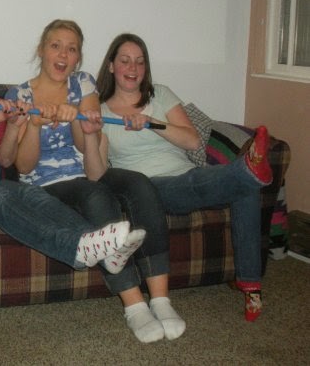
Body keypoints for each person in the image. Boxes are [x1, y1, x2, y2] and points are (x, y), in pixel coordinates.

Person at [0, 37, 146, 361]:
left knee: (28, 193)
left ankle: (99, 246)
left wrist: (14, 124)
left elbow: (5, 159)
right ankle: (85, 247)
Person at [6, 20, 186, 343]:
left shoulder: (84, 84)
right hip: (45, 183)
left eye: (72, 49)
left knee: (140, 185)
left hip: (86, 171)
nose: (63, 54)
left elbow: (88, 150)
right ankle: (134, 305)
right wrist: (34, 123)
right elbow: (22, 165)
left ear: (78, 57)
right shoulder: (21, 94)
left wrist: (77, 117)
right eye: (56, 46)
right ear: (42, 50)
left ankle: (161, 300)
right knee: (95, 197)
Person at [95, 32, 273, 323]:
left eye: (140, 61)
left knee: (244, 187)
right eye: (125, 60)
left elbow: (192, 141)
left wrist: (153, 123)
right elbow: (100, 169)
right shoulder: (100, 112)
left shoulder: (161, 94)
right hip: (149, 188)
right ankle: (247, 169)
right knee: (243, 179)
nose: (133, 68)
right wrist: (91, 135)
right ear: (111, 66)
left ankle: (250, 284)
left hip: (189, 174)